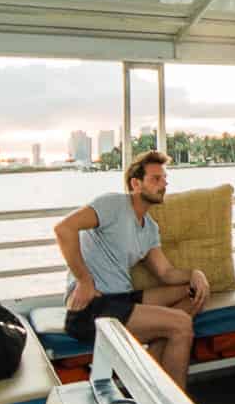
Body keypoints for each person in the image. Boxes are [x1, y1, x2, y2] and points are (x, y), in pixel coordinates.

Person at [52, 150, 209, 388]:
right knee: (181, 325)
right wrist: (84, 280)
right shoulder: (112, 205)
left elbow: (166, 273)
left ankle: (150, 383)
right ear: (135, 183)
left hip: (121, 300)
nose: (163, 184)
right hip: (92, 306)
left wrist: (195, 274)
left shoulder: (149, 228)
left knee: (193, 290)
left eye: (164, 179)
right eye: (156, 179)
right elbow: (64, 229)